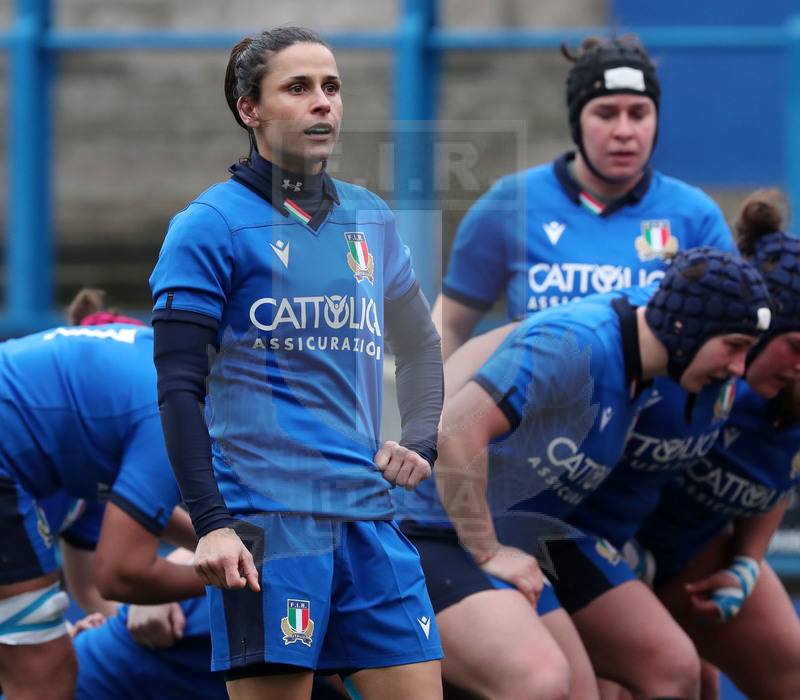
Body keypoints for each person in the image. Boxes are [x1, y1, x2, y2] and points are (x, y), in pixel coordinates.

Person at [148, 26, 444, 700]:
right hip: (270, 526)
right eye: (299, 88)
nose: (323, 104)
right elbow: (178, 388)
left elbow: (422, 345)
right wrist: (214, 524)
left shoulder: (370, 217)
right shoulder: (209, 225)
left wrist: (421, 438)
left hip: (371, 518)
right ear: (248, 108)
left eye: (332, 88)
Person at [398, 246, 772, 700]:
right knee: (542, 681)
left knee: (593, 689)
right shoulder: (579, 343)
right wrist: (486, 549)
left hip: (524, 539)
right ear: (682, 327)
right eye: (734, 348)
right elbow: (457, 431)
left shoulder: (646, 325)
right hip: (431, 533)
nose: (738, 369)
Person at [433, 33, 736, 360]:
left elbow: (734, 335)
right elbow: (448, 327)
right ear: (577, 121)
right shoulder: (511, 205)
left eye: (638, 114)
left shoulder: (695, 216)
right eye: (606, 114)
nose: (624, 131)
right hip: (538, 410)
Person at [630, 190, 800, 699]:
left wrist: (746, 565)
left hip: (690, 553)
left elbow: (775, 477)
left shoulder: (788, 394)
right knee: (672, 676)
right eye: (794, 346)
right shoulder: (683, 370)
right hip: (606, 547)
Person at [0, 289, 203, 700]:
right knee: (47, 668)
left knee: (49, 659)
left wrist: (116, 619)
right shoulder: (164, 409)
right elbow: (120, 575)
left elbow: (97, 584)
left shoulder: (84, 449)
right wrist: (255, 570)